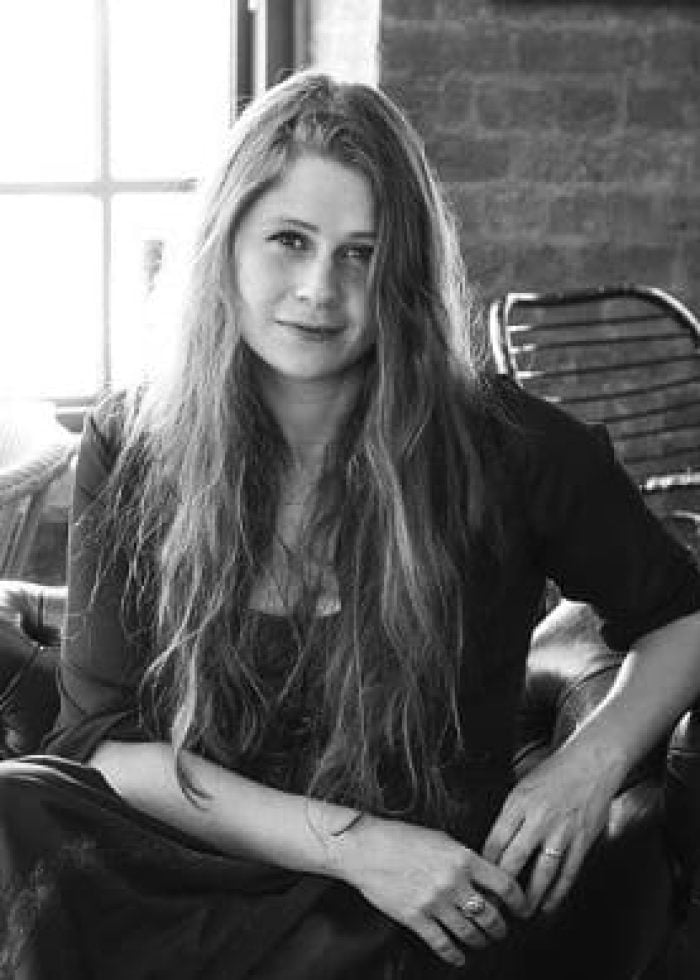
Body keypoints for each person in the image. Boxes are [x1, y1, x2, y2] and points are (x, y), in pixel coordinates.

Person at [1, 70, 700, 980]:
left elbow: (683, 613)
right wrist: (348, 842)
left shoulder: (514, 450)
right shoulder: (134, 437)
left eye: (360, 253)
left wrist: (588, 764)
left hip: (404, 899)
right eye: (289, 240)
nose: (318, 291)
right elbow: (108, 747)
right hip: (191, 851)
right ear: (226, 246)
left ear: (402, 271)